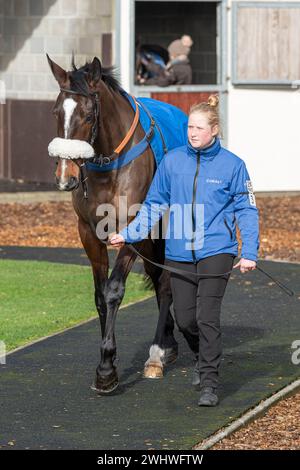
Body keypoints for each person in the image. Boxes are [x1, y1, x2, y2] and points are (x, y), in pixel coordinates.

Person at [109, 95, 260, 407]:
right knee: (185, 320)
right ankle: (202, 355)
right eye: (190, 126)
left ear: (214, 130)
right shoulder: (172, 161)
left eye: (199, 128)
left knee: (207, 317)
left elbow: (247, 210)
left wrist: (250, 252)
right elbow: (153, 207)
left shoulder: (233, 166)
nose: (192, 132)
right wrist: (128, 233)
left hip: (217, 250)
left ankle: (208, 381)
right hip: (178, 252)